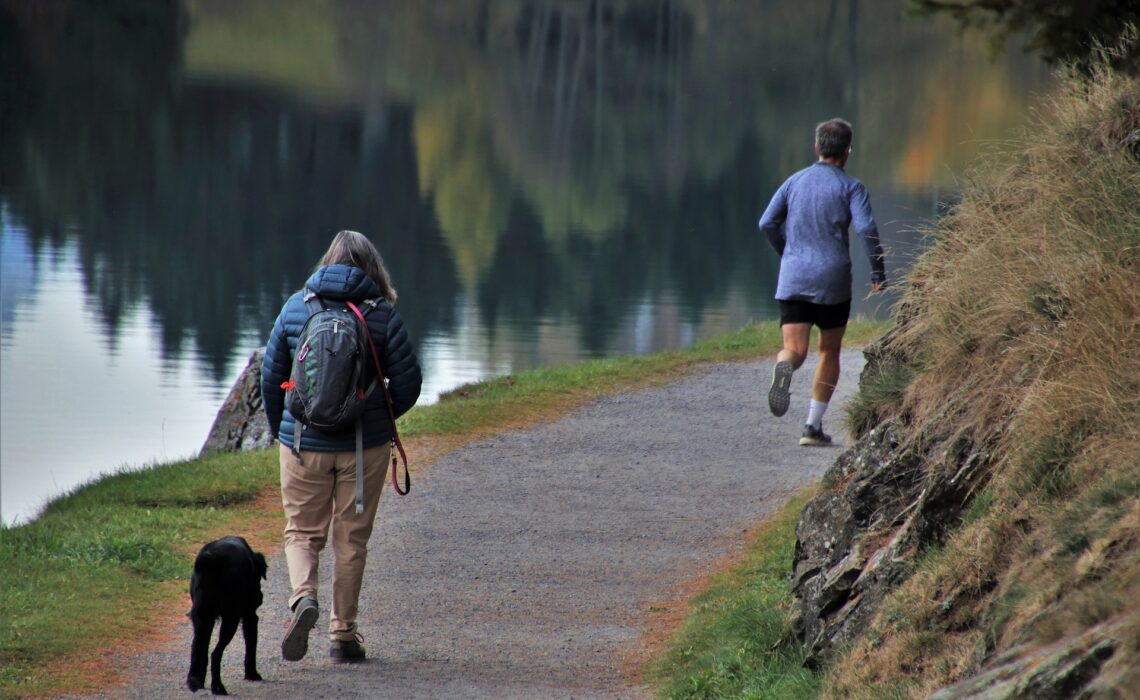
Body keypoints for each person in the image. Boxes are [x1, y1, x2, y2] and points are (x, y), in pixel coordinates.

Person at [260, 230, 422, 663]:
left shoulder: (297, 308)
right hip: (361, 448)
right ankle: (343, 635)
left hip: (301, 444)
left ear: (326, 261)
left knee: (301, 531)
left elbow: (269, 378)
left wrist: (283, 431)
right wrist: (377, 423)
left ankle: (302, 598)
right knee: (351, 540)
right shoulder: (381, 316)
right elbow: (408, 384)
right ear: (373, 268)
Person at [758, 118, 885, 446]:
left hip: (794, 276)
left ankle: (784, 366)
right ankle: (812, 428)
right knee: (829, 351)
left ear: (816, 148)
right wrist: (877, 271)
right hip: (832, 279)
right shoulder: (852, 187)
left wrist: (786, 252)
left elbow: (767, 222)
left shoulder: (794, 182)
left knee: (794, 349)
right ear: (847, 152)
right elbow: (866, 229)